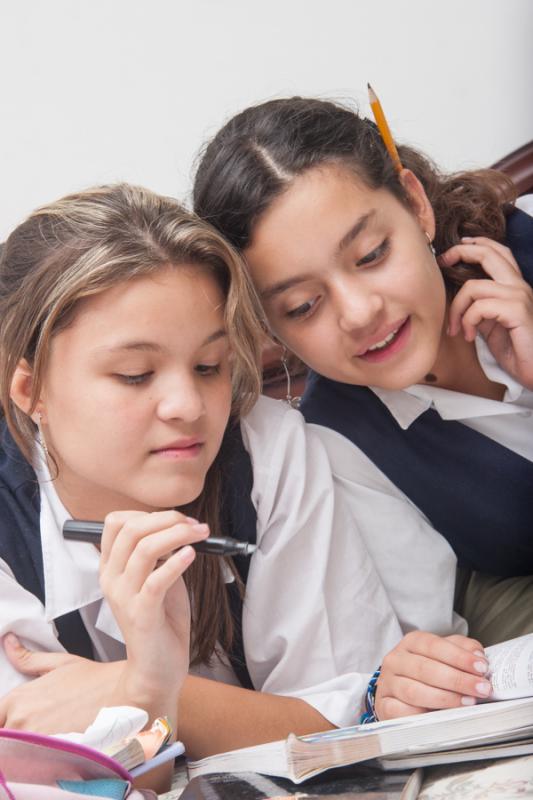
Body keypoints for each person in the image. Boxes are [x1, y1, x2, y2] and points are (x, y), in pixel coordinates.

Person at [0, 183, 489, 753]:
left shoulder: (264, 449)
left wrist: (141, 693)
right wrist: (147, 691)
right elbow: (60, 771)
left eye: (209, 366)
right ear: (31, 389)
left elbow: (346, 724)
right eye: (135, 374)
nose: (188, 406)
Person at [193, 96, 533, 721]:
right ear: (270, 329)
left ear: (415, 204)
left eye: (372, 254)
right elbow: (434, 643)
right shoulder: (341, 440)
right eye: (301, 306)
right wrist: (407, 678)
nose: (358, 312)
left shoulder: (527, 247)